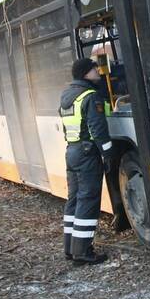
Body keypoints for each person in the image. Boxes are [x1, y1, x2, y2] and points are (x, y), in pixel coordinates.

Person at [59, 57, 113, 265]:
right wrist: (108, 153)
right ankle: (83, 252)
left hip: (72, 151)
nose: (98, 72)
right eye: (94, 69)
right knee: (88, 200)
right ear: (85, 74)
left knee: (73, 200)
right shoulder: (90, 96)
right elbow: (98, 129)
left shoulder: (67, 95)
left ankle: (70, 249)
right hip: (87, 153)